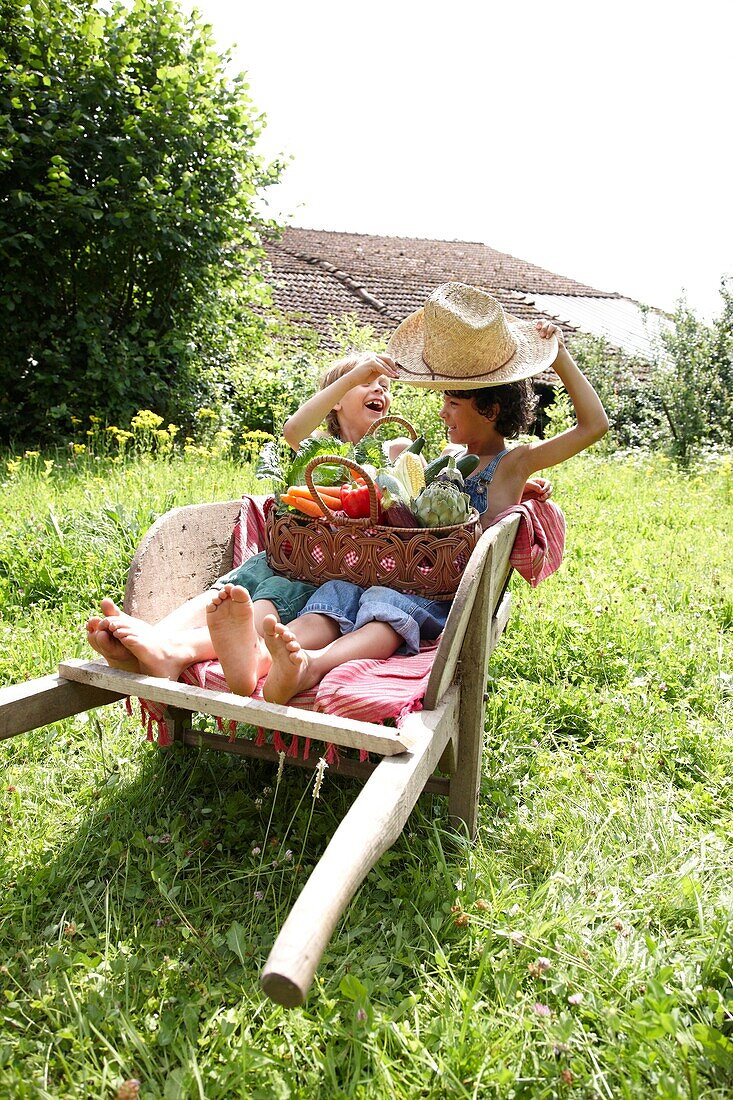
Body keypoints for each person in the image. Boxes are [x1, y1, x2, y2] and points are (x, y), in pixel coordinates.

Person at [226, 282, 608, 706]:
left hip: (444, 594)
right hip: (405, 571)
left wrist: (560, 357)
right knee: (341, 592)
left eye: (452, 404)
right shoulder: (444, 460)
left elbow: (594, 426)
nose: (442, 412)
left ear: (490, 410)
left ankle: (312, 665)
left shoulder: (514, 464)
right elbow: (387, 482)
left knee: (385, 606)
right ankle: (264, 657)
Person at [85, 350, 401, 693]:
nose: (378, 390)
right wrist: (351, 378)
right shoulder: (322, 447)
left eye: (385, 386)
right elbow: (293, 429)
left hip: (343, 568)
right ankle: (155, 636)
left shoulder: (392, 449)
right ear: (336, 401)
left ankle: (176, 651)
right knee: (239, 582)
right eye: (366, 383)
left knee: (266, 601)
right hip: (300, 555)